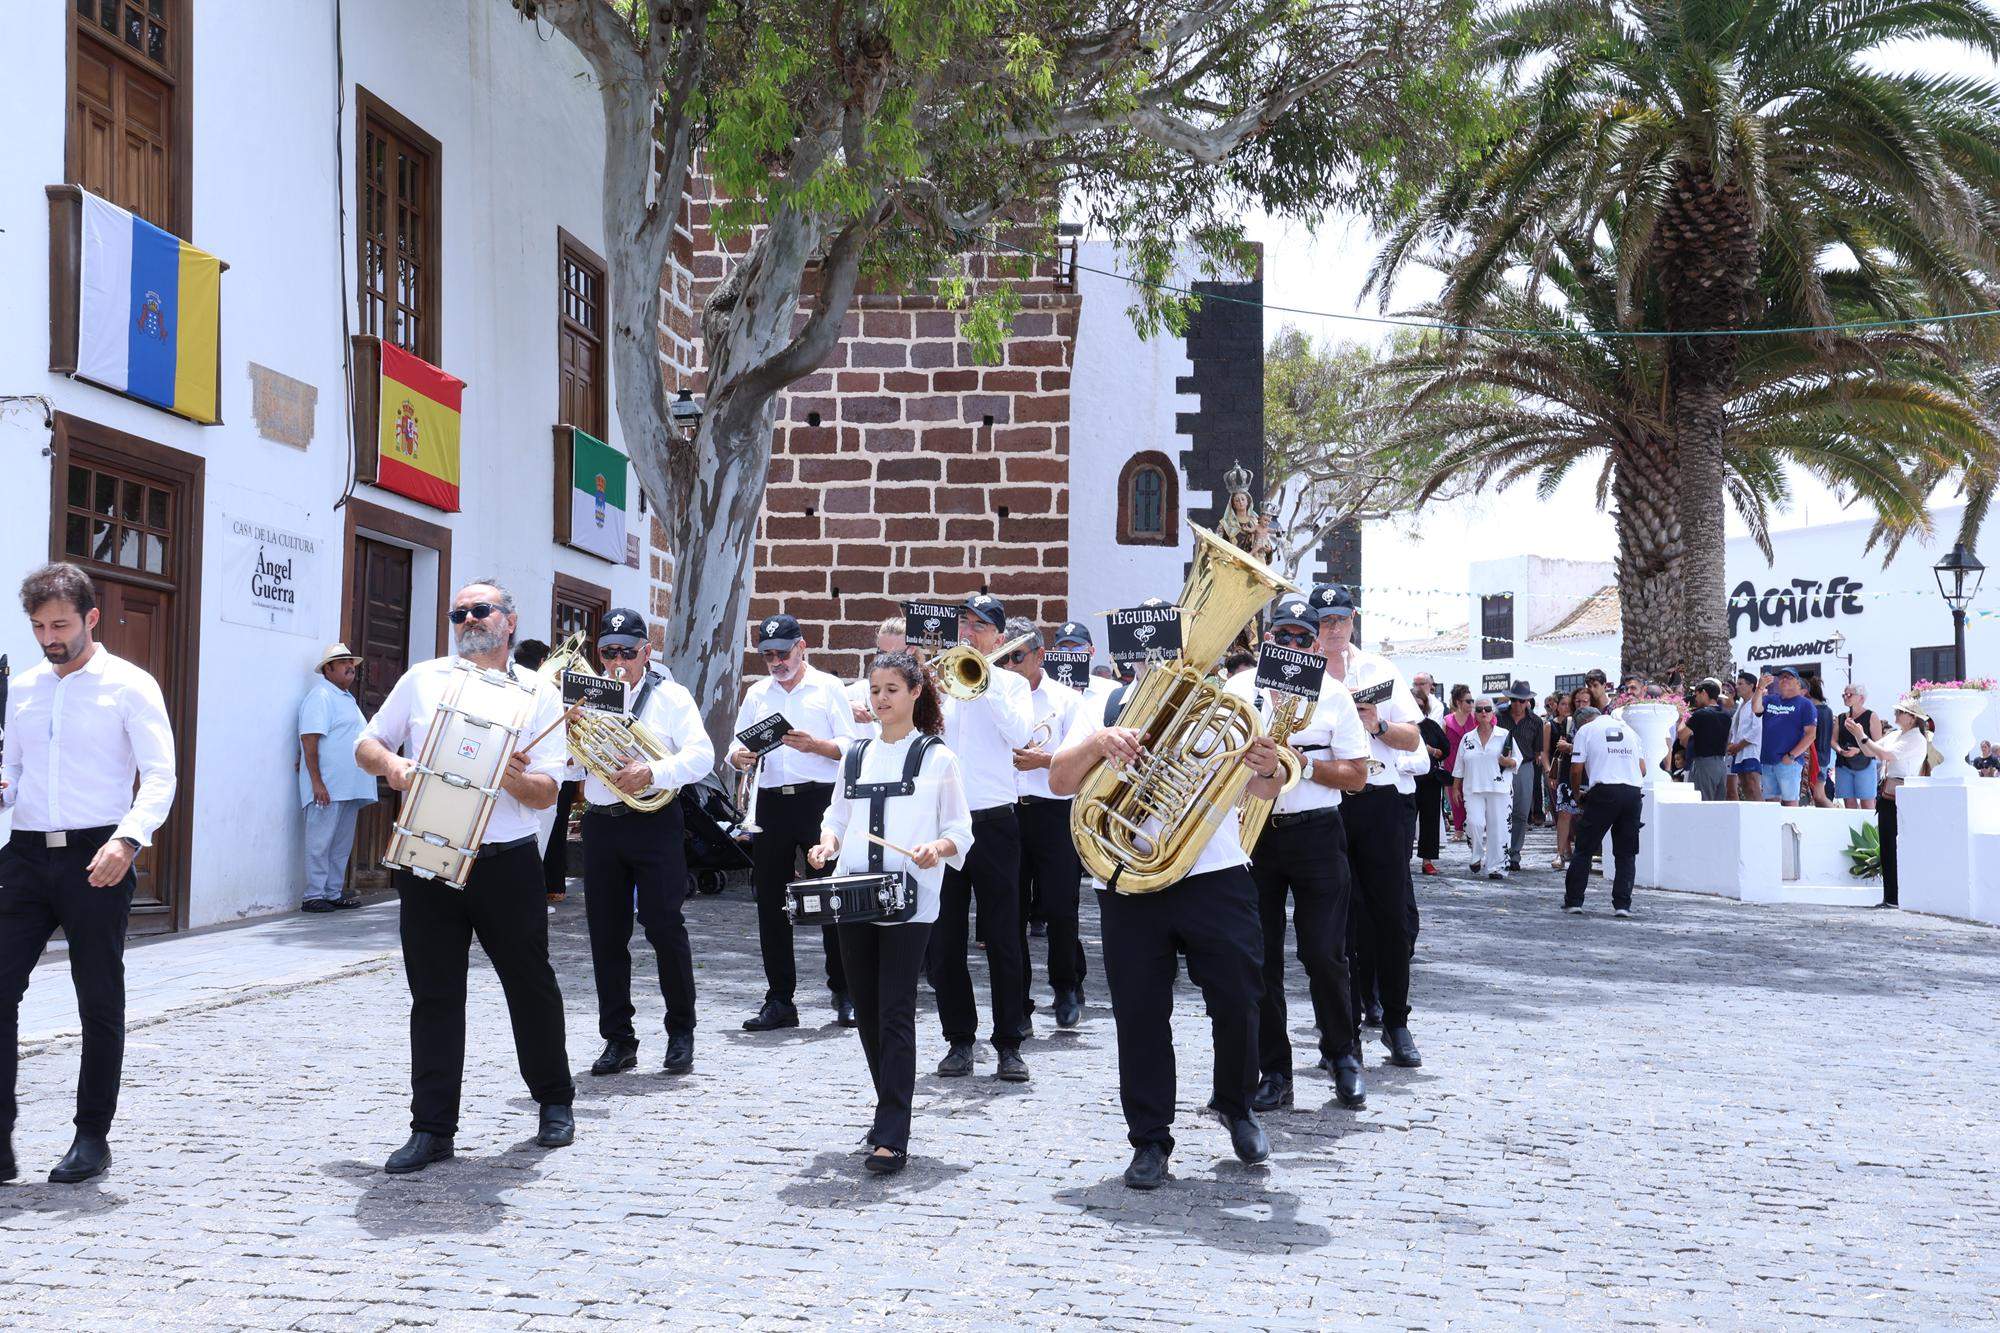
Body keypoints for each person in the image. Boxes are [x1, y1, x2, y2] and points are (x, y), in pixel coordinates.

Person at [1048, 638, 1288, 1190]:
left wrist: (1270, 767)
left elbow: (1265, 788)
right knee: (1139, 1015)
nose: (1156, 654)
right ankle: (1150, 1138)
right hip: (1130, 878)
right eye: (1145, 645)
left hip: (1215, 873)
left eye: (1170, 641)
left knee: (1240, 998)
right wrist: (1098, 744)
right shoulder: (1104, 706)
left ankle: (1236, 1103)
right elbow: (1060, 782)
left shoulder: (1227, 706)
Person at [354, 579, 575, 1174]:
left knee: (529, 985)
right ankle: (431, 1128)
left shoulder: (538, 693)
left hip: (506, 861)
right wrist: (395, 766)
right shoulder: (424, 680)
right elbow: (366, 743)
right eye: (459, 612)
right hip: (429, 858)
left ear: (509, 620)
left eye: (480, 610)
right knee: (434, 996)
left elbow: (548, 790)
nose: (468, 619)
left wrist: (507, 774)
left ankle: (554, 1100)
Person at [0, 563, 176, 1186]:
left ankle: (90, 1137)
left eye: (62, 624)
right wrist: (3, 786)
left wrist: (128, 841)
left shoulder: (130, 685)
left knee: (97, 998)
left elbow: (160, 775)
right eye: (40, 626)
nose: (50, 637)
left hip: (98, 855)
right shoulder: (23, 688)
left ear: (91, 618)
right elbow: (14, 771)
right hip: (23, 856)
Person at [808, 651, 973, 1175]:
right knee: (867, 1008)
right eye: (875, 690)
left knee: (896, 1011)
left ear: (915, 693)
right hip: (855, 895)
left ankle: (892, 1134)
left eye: (892, 690)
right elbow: (837, 815)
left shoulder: (938, 758)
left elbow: (960, 830)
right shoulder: (854, 755)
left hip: (911, 898)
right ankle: (888, 1112)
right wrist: (826, 842)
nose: (881, 699)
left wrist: (937, 849)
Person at [1226, 599, 1371, 1113]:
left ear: (1316, 645)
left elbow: (1357, 774)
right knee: (1258, 958)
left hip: (1315, 833)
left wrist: (1303, 767)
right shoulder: (1239, 690)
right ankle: (1275, 1072)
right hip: (1252, 833)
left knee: (1325, 953)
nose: (1289, 647)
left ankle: (1343, 1056)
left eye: (1299, 639)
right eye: (1280, 637)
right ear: (1267, 640)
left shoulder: (1334, 697)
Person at [575, 609, 714, 1079]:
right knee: (606, 935)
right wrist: (567, 733)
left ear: (645, 653)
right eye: (607, 652)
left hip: (655, 823)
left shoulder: (672, 697)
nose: (617, 661)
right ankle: (618, 1040)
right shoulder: (586, 697)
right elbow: (569, 768)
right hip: (601, 824)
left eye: (626, 652)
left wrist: (651, 771)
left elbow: (702, 755)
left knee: (664, 927)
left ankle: (681, 1033)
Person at [1309, 584, 1425, 1068]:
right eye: (1324, 621)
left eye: (1340, 620)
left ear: (1352, 619)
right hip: (1328, 799)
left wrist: (1376, 724)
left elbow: (1413, 734)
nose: (1333, 629)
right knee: (1337, 923)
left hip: (1379, 799)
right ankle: (1343, 1031)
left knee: (1392, 917)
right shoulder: (1298, 673)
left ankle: (1396, 1022)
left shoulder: (1381, 669)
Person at [729, 613, 857, 1030]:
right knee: (770, 902)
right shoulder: (757, 693)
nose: (775, 662)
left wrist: (817, 745)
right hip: (770, 803)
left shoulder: (829, 687)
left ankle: (845, 990)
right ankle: (780, 998)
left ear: (802, 647)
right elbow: (737, 742)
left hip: (818, 800)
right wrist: (737, 755)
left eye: (782, 653)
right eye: (767, 655)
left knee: (832, 896)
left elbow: (852, 746)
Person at [929, 594, 1034, 1081]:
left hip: (994, 822)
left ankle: (1010, 1043)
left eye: (980, 626)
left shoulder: (1012, 684)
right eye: (965, 625)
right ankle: (959, 1040)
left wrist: (985, 681)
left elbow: (1018, 735)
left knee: (1004, 938)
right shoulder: (942, 682)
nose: (970, 633)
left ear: (1000, 637)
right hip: (944, 823)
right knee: (944, 938)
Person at [1000, 617, 1086, 1030]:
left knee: (1060, 905)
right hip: (1008, 810)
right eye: (1004, 656)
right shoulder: (993, 694)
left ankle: (1066, 986)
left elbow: (1085, 760)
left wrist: (1045, 760)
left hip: (1053, 810)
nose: (1010, 663)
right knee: (1010, 910)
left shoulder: (1067, 699)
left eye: (1016, 655)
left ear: (1039, 655)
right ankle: (1018, 999)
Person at [297, 643, 372, 912]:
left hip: (349, 787)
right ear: (328, 669)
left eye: (351, 661)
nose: (350, 666)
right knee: (320, 842)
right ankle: (313, 895)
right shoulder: (321, 696)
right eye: (342, 662)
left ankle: (332, 892)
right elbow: (309, 739)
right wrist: (316, 781)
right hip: (327, 787)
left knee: (340, 845)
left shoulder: (345, 698)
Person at [1563, 703, 1648, 916]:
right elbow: (1643, 769)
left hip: (1604, 791)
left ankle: (1574, 901)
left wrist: (1577, 794)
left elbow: (1576, 769)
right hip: (1632, 793)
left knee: (1584, 848)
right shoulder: (1629, 731)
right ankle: (1622, 905)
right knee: (1626, 852)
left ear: (1582, 721)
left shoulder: (1586, 730)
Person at [1849, 702, 1930, 908]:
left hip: (1901, 794)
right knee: (1886, 846)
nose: (1895, 714)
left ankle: (1896, 897)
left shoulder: (1915, 739)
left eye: (1900, 712)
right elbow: (1871, 751)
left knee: (1895, 845)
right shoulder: (1896, 735)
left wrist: (1863, 736)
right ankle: (1890, 896)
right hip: (1888, 793)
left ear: (1911, 718)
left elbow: (1885, 755)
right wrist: (1859, 735)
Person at [512, 639, 575, 903]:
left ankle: (543, 886)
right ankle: (551, 885)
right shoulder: (547, 691)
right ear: (542, 663)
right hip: (550, 771)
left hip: (525, 772)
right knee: (553, 829)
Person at [1454, 698, 1516, 879]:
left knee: (1499, 829)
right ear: (1475, 713)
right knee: (1475, 823)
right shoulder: (1467, 738)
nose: (1483, 712)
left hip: (1499, 788)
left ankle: (1496, 867)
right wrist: (1456, 788)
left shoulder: (1505, 735)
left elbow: (1516, 761)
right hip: (1472, 788)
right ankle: (1476, 855)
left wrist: (1507, 762)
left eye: (1487, 709)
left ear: (1493, 712)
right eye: (1479, 709)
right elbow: (1459, 767)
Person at [1753, 668, 1817, 807]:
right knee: (1770, 803)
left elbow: (1811, 734)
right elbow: (1756, 709)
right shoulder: (1770, 699)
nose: (1784, 679)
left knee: (1790, 802)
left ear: (1798, 683)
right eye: (1781, 677)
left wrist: (1792, 755)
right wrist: (1760, 687)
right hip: (1768, 760)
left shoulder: (1805, 704)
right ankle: (1773, 829)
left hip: (1788, 762)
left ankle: (1790, 828)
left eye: (1789, 677)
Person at [1498, 682, 1544, 873]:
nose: (1517, 704)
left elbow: (1538, 750)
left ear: (1527, 701)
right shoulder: (1499, 717)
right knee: (1499, 811)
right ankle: (1499, 853)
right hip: (1500, 766)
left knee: (1521, 812)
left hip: (1524, 766)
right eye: (1514, 700)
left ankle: (1514, 854)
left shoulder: (1535, 722)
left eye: (1521, 701)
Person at [1411, 673, 1450, 876]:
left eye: (1420, 705)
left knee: (1430, 820)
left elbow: (1446, 749)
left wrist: (1432, 751)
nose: (1416, 709)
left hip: (1430, 780)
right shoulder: (1400, 727)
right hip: (1408, 779)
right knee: (1406, 820)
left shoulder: (1432, 726)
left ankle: (1427, 860)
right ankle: (1403, 857)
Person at [1549, 684, 1591, 868]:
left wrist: (1571, 747)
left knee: (1585, 815)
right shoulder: (1568, 721)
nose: (1580, 704)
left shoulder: (1595, 721)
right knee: (1564, 812)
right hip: (1568, 769)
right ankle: (1560, 853)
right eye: (1578, 701)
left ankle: (1583, 854)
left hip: (1589, 771)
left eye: (1585, 701)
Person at [845, 616, 907, 735]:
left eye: (895, 655)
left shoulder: (927, 692)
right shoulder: (861, 690)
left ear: (911, 650)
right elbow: (822, 704)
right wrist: (846, 707)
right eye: (882, 653)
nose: (887, 661)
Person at [1678, 679, 1732, 801]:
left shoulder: (1700, 714)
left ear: (1703, 693)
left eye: (1696, 695)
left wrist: (1684, 716)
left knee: (1702, 804)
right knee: (1718, 806)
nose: (1695, 699)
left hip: (1704, 764)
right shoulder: (1726, 714)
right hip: (1721, 765)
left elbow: (1681, 734)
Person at [1833, 685, 1884, 808]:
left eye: (1849, 694)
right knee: (1848, 804)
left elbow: (1879, 743)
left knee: (1867, 803)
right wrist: (1840, 750)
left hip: (1865, 763)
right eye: (1844, 694)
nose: (1845, 697)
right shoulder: (1840, 717)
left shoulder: (1871, 716)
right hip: (1844, 764)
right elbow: (1833, 740)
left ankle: (1870, 828)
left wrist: (1859, 751)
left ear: (1861, 697)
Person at [1441, 683, 1475, 841]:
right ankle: (1459, 829)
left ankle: (1473, 825)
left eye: (1471, 700)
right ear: (1458, 702)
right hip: (1452, 761)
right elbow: (1442, 743)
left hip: (1471, 761)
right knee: (1455, 797)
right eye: (1467, 701)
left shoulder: (1475, 718)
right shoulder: (1447, 720)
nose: (1471, 704)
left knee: (1472, 794)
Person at [1726, 670, 1764, 802]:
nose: (1737, 687)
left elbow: (1757, 729)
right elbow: (1735, 729)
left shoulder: (1756, 702)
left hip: (1750, 751)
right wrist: (1732, 744)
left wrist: (1739, 745)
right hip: (1739, 752)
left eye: (1740, 684)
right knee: (1745, 786)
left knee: (1753, 786)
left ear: (1751, 686)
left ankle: (1763, 817)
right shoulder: (1741, 706)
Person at [1806, 676, 1836, 809]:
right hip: (1823, 757)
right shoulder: (1827, 710)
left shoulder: (1814, 711)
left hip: (1816, 758)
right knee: (1818, 795)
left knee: (1818, 796)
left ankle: (1837, 814)